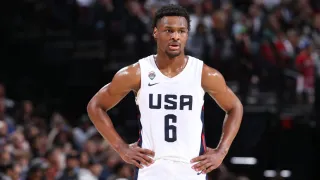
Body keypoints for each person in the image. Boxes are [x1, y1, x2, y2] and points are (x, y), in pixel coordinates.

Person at [87, 4, 243, 180]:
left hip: (191, 171)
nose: (175, 36)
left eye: (181, 31)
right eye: (168, 31)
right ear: (155, 33)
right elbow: (95, 106)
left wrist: (222, 151)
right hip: (151, 171)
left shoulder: (203, 74)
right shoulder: (137, 73)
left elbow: (235, 107)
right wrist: (120, 148)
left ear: (187, 35)